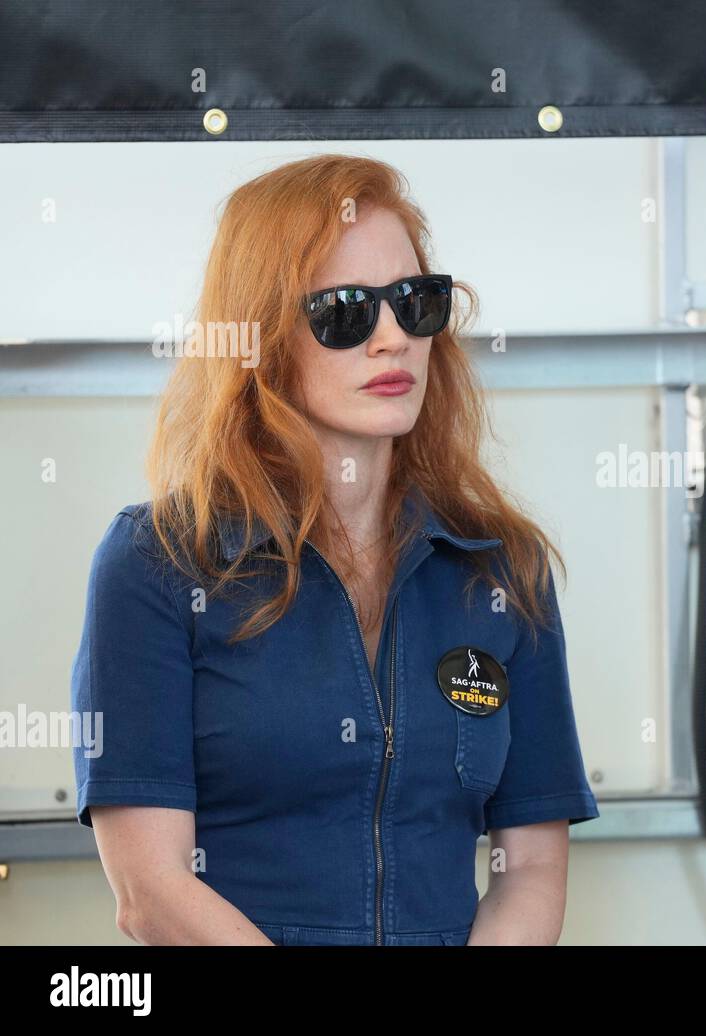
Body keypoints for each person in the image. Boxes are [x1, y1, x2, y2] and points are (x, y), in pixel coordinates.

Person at [71, 154, 598, 945]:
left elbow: (530, 869)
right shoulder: (156, 565)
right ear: (260, 338)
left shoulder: (501, 570)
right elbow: (151, 889)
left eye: (416, 303)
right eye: (346, 311)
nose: (392, 339)